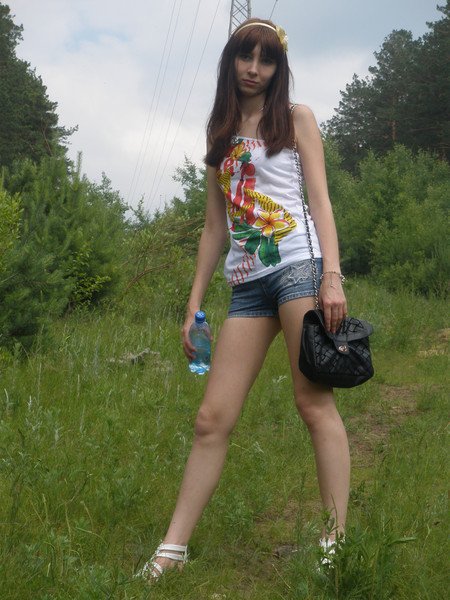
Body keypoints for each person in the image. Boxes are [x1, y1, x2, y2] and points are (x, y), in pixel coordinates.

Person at [138, 17, 350, 581]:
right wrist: (194, 305)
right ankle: (172, 550)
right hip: (248, 284)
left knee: (313, 402)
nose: (254, 69)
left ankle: (334, 541)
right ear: (231, 60)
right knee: (211, 418)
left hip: (298, 266)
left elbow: (321, 202)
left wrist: (332, 276)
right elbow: (214, 228)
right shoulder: (220, 134)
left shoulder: (296, 119)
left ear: (279, 67)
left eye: (267, 59)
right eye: (245, 56)